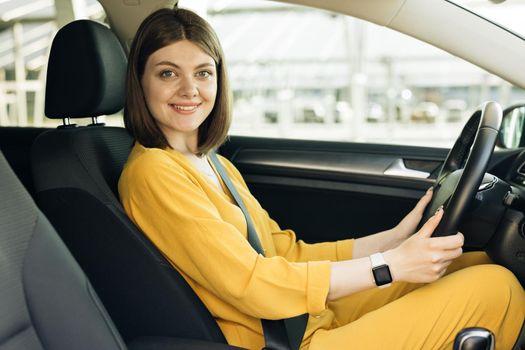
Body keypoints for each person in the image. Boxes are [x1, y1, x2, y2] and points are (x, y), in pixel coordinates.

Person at [118, 7, 525, 350]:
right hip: (281, 339)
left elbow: (285, 252)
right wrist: (389, 266)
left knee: (471, 263)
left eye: (203, 73)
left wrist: (395, 239)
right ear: (140, 82)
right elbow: (253, 284)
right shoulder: (153, 173)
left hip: (298, 317)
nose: (190, 89)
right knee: (494, 287)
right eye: (168, 73)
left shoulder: (211, 163)